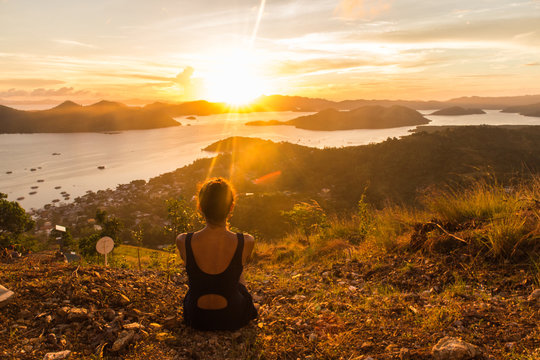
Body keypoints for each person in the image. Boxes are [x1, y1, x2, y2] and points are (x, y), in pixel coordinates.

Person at [176, 178, 258, 331]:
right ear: (231, 207)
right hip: (233, 317)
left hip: (196, 318)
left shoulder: (183, 240)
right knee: (238, 272)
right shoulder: (246, 241)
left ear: (200, 207)